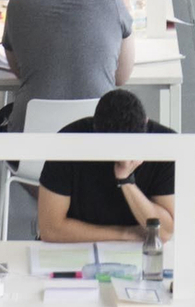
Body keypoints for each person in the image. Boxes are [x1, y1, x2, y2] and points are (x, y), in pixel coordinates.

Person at [0, 0, 134, 125]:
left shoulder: (17, 5)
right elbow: (121, 76)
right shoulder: (112, 0)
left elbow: (19, 70)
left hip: (34, 131)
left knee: (0, 121)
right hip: (96, 128)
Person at [36, 86, 175, 248]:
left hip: (135, 249)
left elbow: (164, 232)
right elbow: (51, 229)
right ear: (95, 131)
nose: (124, 159)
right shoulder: (68, 141)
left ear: (146, 123)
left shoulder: (165, 145)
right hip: (75, 248)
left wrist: (126, 181)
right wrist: (124, 234)